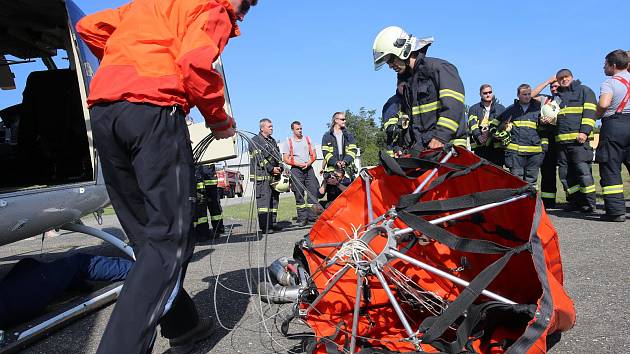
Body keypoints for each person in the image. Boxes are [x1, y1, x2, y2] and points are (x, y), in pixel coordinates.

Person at [75, 1, 258, 353]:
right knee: (169, 240)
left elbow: (89, 28)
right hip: (153, 110)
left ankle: (183, 323)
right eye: (247, 3)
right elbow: (193, 63)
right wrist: (219, 119)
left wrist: (123, 65)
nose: (245, 11)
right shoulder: (213, 8)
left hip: (105, 112)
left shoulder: (150, 7)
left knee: (146, 236)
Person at [372, 26, 467, 152]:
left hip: (449, 149)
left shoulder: (439, 68)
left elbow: (453, 106)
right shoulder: (407, 83)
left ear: (403, 49)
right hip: (425, 150)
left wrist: (441, 137)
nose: (390, 66)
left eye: (390, 59)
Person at [553, 69, 597, 212]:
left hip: (579, 142)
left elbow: (590, 113)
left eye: (566, 77)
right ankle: (574, 202)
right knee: (566, 175)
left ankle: (589, 203)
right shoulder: (557, 97)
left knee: (583, 173)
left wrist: (584, 132)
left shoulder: (584, 91)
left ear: (571, 77)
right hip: (562, 144)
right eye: (560, 78)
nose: (563, 80)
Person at [595, 50, 630, 222]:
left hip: (615, 125)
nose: (604, 67)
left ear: (613, 65)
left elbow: (604, 103)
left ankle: (616, 211)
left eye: (605, 64)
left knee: (610, 168)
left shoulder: (610, 83)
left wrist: (597, 113)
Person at [494, 84, 543, 185]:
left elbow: (544, 129)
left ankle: (530, 201)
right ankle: (518, 201)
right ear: (518, 95)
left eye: (529, 94)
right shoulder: (510, 110)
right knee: (517, 182)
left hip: (534, 153)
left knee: (532, 182)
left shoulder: (538, 109)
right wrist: (500, 131)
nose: (527, 96)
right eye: (524, 94)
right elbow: (496, 125)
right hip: (515, 154)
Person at [281, 121, 319, 226]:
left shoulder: (308, 139)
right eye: (297, 129)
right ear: (293, 130)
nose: (300, 130)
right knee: (299, 194)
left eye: (301, 128)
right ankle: (302, 218)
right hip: (296, 170)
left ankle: (312, 217)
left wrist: (308, 163)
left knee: (313, 191)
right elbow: (285, 159)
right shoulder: (288, 142)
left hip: (309, 168)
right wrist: (298, 164)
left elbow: (314, 155)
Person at [532, 77, 561, 208]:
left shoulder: (568, 99)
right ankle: (549, 202)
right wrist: (548, 81)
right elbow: (532, 95)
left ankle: (576, 201)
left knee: (568, 171)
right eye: (552, 87)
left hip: (563, 139)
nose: (554, 89)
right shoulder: (546, 99)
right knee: (547, 170)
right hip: (547, 139)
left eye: (556, 86)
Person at [249, 118, 282, 233]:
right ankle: (265, 226)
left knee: (273, 201)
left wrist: (280, 168)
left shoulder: (272, 141)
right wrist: (271, 169)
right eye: (269, 126)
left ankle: (272, 223)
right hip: (262, 178)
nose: (272, 128)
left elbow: (278, 156)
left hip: (273, 177)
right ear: (262, 128)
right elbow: (260, 159)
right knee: (263, 202)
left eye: (272, 126)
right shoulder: (255, 140)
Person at [468, 84, 506, 166]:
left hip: (496, 148)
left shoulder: (501, 108)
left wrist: (494, 133)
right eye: (485, 93)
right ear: (480, 94)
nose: (488, 94)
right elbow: (472, 124)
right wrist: (479, 136)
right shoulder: (474, 108)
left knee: (497, 175)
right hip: (480, 147)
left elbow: (505, 125)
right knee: (482, 173)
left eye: (490, 92)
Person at [321, 112, 358, 178]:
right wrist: (335, 162)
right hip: (332, 172)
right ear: (336, 120)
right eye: (342, 119)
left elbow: (353, 150)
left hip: (347, 172)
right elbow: (326, 153)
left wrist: (345, 161)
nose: (345, 121)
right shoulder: (327, 136)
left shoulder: (349, 135)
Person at [201, 163, 225, 235]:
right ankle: (217, 228)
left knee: (204, 209)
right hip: (209, 182)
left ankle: (206, 231)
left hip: (207, 183)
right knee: (213, 208)